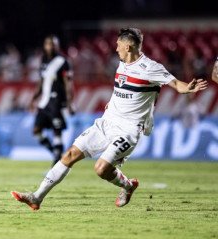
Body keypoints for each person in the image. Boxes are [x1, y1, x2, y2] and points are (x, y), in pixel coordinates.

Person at [11, 28, 208, 210]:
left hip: (129, 129)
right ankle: (36, 197)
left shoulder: (150, 68)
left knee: (101, 169)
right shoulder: (122, 64)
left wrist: (187, 88)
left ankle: (127, 185)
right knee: (70, 154)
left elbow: (176, 83)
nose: (115, 48)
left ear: (128, 46)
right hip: (106, 122)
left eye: (118, 45)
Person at [30, 35, 74, 166]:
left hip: (56, 101)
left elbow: (68, 84)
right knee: (36, 130)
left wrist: (70, 103)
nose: (51, 46)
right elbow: (41, 81)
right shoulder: (44, 61)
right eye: (48, 44)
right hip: (44, 102)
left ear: (57, 46)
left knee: (57, 131)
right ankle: (56, 154)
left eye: (53, 44)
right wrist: (33, 98)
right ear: (45, 46)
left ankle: (57, 162)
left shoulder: (62, 61)